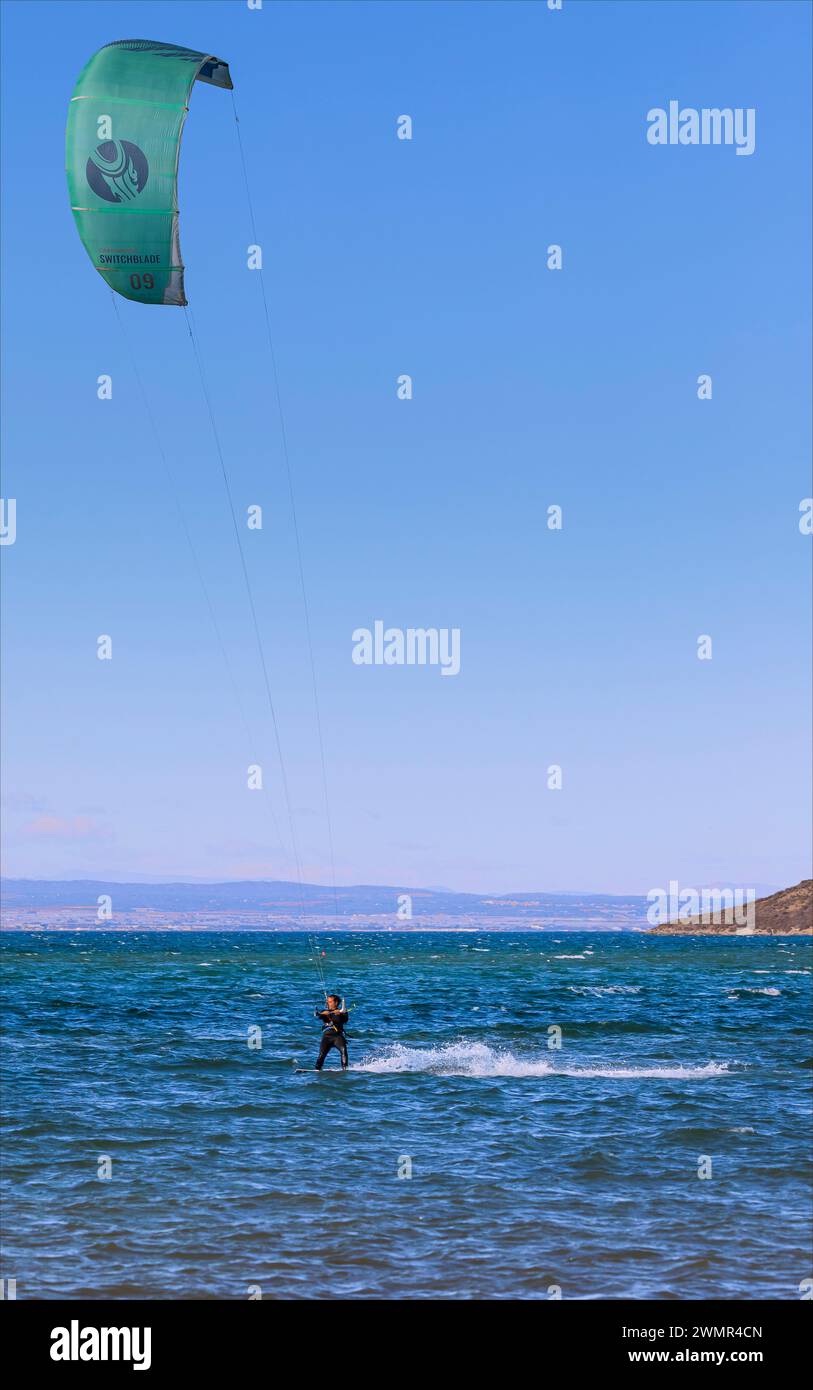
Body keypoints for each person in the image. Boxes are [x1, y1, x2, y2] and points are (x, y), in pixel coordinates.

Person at [314, 994, 349, 1070]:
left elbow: (345, 1019)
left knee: (344, 1051)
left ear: (336, 1003)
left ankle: (345, 1070)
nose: (328, 1003)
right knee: (321, 1055)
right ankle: (317, 1069)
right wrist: (323, 1013)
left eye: (330, 1002)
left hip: (338, 1036)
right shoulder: (325, 1011)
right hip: (327, 1037)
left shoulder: (342, 1012)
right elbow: (320, 1016)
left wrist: (340, 1013)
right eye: (327, 1002)